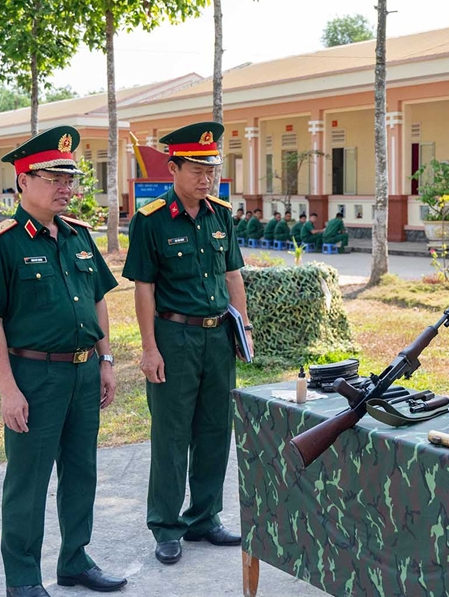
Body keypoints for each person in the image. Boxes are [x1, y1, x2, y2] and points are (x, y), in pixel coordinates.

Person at [0, 126, 126, 596]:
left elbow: (98, 300)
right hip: (34, 376)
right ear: (23, 181)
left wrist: (106, 360)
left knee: (81, 473)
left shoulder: (78, 236)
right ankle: (22, 580)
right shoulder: (2, 242)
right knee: (28, 482)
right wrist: (8, 389)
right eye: (53, 177)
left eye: (69, 178)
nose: (66, 187)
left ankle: (75, 561)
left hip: (82, 372)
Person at [122, 121, 254, 566]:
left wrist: (245, 328)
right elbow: (144, 288)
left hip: (218, 336)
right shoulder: (151, 220)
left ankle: (204, 517)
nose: (206, 178)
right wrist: (149, 348)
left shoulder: (221, 214)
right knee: (172, 434)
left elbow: (233, 274)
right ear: (173, 168)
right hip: (173, 336)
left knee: (215, 429)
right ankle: (165, 524)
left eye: (211, 170)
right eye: (197, 170)